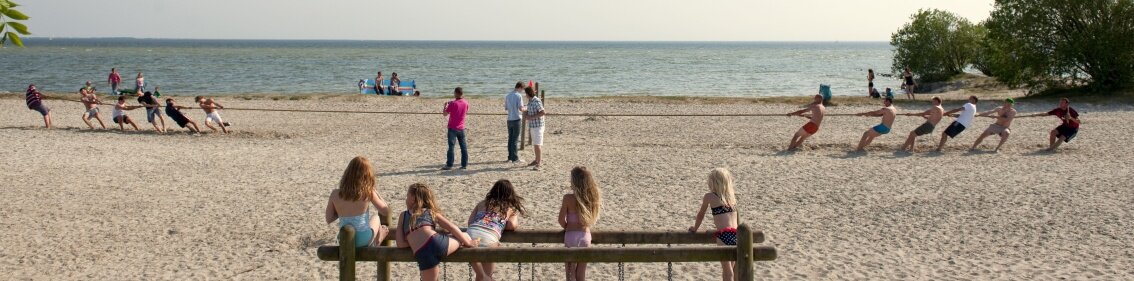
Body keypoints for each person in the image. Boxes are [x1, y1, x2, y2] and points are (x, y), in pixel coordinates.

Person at [395, 183, 478, 281]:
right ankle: (481, 273)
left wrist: (415, 242)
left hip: (421, 252)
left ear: (413, 198)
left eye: (407, 196)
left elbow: (400, 243)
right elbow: (451, 227)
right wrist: (468, 242)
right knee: (464, 235)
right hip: (436, 242)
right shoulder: (430, 212)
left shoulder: (403, 216)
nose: (406, 199)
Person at [466, 179, 527, 281]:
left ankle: (485, 277)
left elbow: (470, 222)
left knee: (481, 276)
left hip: (470, 235)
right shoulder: (508, 208)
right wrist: (500, 224)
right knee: (487, 275)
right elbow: (512, 225)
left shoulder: (482, 203)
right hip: (489, 238)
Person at [325, 156, 391, 248]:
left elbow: (329, 219)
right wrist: (376, 193)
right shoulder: (368, 192)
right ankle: (378, 240)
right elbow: (385, 211)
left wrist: (342, 212)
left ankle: (376, 240)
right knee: (376, 217)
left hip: (344, 240)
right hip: (364, 239)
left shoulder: (335, 194)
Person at [688, 168, 740, 281]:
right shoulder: (731, 198)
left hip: (724, 235)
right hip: (736, 235)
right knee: (731, 268)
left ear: (713, 182)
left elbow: (700, 214)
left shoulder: (709, 196)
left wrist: (695, 228)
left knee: (727, 271)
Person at [558, 166, 602, 281]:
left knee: (570, 274)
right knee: (581, 275)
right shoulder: (590, 199)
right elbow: (592, 219)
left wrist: (567, 227)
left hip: (571, 236)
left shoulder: (568, 198)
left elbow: (561, 220)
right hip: (585, 236)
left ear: (574, 182)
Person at [442, 87, 470, 170]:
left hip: (452, 128)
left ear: (456, 93)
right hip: (461, 127)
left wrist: (445, 106)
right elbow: (464, 110)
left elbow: (445, 114)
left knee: (451, 146)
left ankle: (449, 164)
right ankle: (464, 164)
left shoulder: (453, 104)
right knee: (463, 147)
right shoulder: (466, 103)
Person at [522, 87, 547, 170]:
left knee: (537, 145)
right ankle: (536, 160)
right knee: (535, 144)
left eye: (525, 93)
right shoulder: (530, 101)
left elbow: (543, 112)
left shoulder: (536, 101)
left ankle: (539, 163)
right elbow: (529, 109)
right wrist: (525, 110)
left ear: (528, 94)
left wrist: (531, 117)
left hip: (538, 126)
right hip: (533, 126)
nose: (525, 95)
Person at [504, 82, 526, 164]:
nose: (522, 91)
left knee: (510, 139)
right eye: (522, 89)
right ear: (520, 87)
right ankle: (515, 158)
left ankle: (510, 157)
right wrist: (526, 108)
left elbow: (506, 108)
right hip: (516, 119)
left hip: (509, 119)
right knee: (515, 140)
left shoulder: (508, 95)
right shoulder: (518, 95)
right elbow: (521, 108)